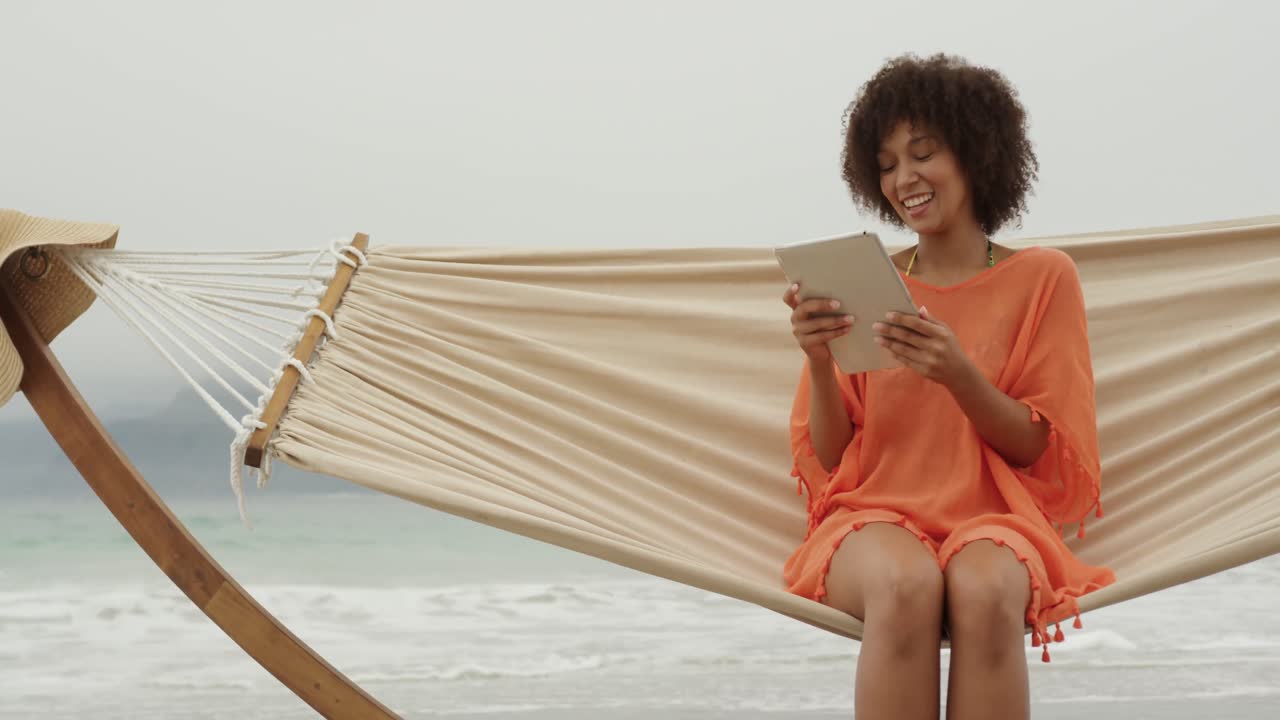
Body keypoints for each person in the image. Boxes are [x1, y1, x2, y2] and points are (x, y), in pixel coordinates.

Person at [780, 53, 1115, 720]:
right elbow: (831, 451)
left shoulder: (1044, 278)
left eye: (923, 154)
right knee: (905, 587)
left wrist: (959, 375)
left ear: (975, 151)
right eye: (886, 165)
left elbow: (1035, 450)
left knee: (988, 594)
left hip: (995, 516)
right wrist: (820, 361)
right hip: (871, 514)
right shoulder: (866, 279)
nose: (904, 179)